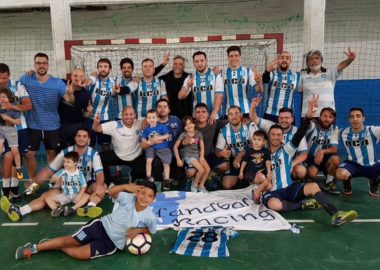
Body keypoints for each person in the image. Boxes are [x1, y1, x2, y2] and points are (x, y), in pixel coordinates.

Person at [262, 95, 357, 226]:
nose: (276, 137)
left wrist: (308, 117)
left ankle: (336, 213)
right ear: (269, 136)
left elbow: (300, 133)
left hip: (289, 188)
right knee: (274, 205)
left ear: (282, 137)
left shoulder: (287, 149)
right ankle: (301, 205)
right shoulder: (262, 154)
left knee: (313, 186)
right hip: (272, 192)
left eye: (279, 135)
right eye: (273, 134)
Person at [14, 182, 157, 260]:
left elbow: (151, 231)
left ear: (154, 199)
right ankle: (33, 248)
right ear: (137, 193)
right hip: (100, 226)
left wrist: (138, 230)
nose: (145, 197)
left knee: (80, 255)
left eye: (149, 196)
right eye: (142, 193)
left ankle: (52, 245)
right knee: (70, 241)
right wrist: (126, 186)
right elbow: (112, 192)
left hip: (112, 243)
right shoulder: (128, 198)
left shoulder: (149, 216)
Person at [1, 128, 105, 221]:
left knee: (102, 186)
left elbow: (99, 173)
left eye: (84, 136)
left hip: (86, 185)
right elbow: (49, 170)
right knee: (45, 196)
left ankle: (90, 207)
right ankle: (21, 211)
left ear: (88, 139)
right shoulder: (65, 152)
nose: (81, 138)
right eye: (79, 136)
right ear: (75, 138)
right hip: (66, 186)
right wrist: (35, 183)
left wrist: (100, 185)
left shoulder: (93, 154)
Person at [19, 52, 75, 183]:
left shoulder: (57, 83)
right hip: (32, 125)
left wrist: (70, 94)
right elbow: (15, 91)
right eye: (38, 63)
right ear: (34, 65)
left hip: (52, 126)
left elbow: (70, 100)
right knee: (29, 154)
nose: (41, 65)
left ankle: (52, 181)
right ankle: (33, 181)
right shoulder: (26, 79)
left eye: (44, 63)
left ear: (48, 65)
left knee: (51, 153)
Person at [250, 95, 308, 181]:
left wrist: (290, 165)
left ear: (292, 119)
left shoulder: (297, 132)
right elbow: (254, 118)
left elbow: (304, 154)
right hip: (272, 162)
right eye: (281, 118)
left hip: (291, 163)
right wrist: (253, 107)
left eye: (287, 118)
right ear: (278, 119)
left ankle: (292, 182)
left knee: (301, 171)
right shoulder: (271, 126)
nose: (284, 120)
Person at [0, 63, 32, 201]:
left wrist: (11, 105)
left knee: (17, 160)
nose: (1, 81)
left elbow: (28, 105)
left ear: (9, 75)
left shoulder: (18, 86)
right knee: (8, 157)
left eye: (4, 78)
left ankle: (14, 188)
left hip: (19, 128)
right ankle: (5, 190)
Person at [92, 106, 146, 184]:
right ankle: (108, 182)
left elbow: (153, 117)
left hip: (135, 157)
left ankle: (133, 175)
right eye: (126, 114)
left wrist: (147, 119)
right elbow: (96, 128)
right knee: (98, 158)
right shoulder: (114, 125)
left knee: (146, 169)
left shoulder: (140, 123)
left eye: (131, 114)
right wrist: (96, 123)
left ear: (135, 115)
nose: (128, 117)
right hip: (118, 155)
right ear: (121, 115)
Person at [297, 48, 356, 117]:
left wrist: (350, 59)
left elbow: (341, 66)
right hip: (308, 115)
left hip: (328, 116)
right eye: (311, 59)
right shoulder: (302, 75)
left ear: (321, 61)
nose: (314, 60)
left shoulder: (330, 73)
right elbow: (299, 90)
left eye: (317, 58)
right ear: (307, 62)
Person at [336, 108, 380, 197]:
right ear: (349, 119)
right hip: (353, 165)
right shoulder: (342, 132)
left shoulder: (373, 130)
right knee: (339, 174)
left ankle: (374, 181)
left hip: (372, 165)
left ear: (363, 118)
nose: (355, 119)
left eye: (358, 116)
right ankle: (347, 183)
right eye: (352, 117)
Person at [178, 51, 224, 125]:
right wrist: (187, 86)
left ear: (206, 61)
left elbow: (220, 96)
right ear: (193, 63)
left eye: (202, 60)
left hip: (215, 116)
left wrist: (213, 113)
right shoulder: (190, 77)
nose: (199, 63)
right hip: (198, 118)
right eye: (197, 61)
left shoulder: (216, 74)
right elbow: (180, 96)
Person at [305, 107, 340, 194]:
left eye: (330, 117)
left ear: (333, 119)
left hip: (324, 158)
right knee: (312, 173)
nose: (327, 119)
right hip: (310, 159)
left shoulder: (334, 129)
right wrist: (309, 116)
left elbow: (334, 149)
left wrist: (322, 151)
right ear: (320, 117)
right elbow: (306, 124)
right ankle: (307, 177)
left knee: (335, 159)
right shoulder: (312, 126)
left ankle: (329, 182)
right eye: (325, 116)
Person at [215, 106, 251, 189]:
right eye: (231, 114)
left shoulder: (249, 125)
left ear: (241, 115)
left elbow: (257, 147)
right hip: (235, 161)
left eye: (236, 113)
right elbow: (217, 152)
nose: (234, 116)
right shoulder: (223, 131)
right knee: (227, 184)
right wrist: (222, 153)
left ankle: (248, 178)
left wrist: (241, 154)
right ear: (228, 117)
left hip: (250, 158)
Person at [84, 58, 116, 150]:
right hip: (90, 118)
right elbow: (89, 81)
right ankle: (90, 163)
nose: (103, 69)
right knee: (90, 145)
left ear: (110, 69)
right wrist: (87, 81)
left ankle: (105, 164)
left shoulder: (113, 82)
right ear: (97, 69)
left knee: (105, 145)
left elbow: (116, 93)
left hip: (105, 118)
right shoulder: (94, 79)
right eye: (100, 66)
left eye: (105, 66)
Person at [224, 46, 262, 123]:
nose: (234, 58)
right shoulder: (223, 73)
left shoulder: (248, 71)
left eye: (236, 56)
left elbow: (259, 90)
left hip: (245, 111)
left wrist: (258, 82)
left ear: (240, 56)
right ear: (228, 57)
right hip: (229, 111)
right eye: (231, 56)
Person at [150, 98, 183, 188]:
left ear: (169, 110)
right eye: (159, 107)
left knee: (178, 178)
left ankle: (169, 176)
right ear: (156, 110)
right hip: (159, 155)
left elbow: (182, 137)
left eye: (165, 107)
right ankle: (159, 180)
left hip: (173, 154)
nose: (162, 109)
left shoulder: (176, 120)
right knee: (155, 163)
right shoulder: (151, 123)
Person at [45, 151, 89, 217]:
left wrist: (80, 195)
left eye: (68, 162)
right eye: (64, 161)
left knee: (87, 196)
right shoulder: (62, 171)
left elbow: (84, 186)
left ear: (75, 163)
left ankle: (72, 209)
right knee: (48, 198)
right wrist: (53, 183)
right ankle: (58, 209)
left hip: (76, 194)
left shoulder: (79, 174)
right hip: (65, 195)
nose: (65, 164)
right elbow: (53, 178)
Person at [173, 116, 210, 192]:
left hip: (197, 155)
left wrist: (202, 157)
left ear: (194, 124)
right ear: (184, 127)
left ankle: (201, 185)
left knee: (208, 169)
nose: (189, 125)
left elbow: (202, 147)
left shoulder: (199, 134)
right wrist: (178, 159)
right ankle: (195, 184)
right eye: (186, 125)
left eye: (190, 123)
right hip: (189, 156)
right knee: (201, 170)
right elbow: (175, 147)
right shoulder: (183, 134)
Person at [262, 51, 300, 122]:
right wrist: (267, 71)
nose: (284, 60)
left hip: (287, 116)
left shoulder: (296, 76)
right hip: (270, 113)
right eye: (282, 58)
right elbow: (265, 80)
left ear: (290, 61)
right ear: (278, 60)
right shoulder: (272, 74)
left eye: (287, 58)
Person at [58, 68, 91, 149]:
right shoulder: (62, 83)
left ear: (84, 78)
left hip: (77, 126)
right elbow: (48, 78)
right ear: (71, 77)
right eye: (75, 75)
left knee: (76, 152)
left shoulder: (86, 94)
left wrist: (89, 113)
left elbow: (85, 115)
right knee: (60, 152)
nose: (78, 78)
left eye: (81, 76)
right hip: (60, 125)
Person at [140, 109, 171, 189]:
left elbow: (167, 135)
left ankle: (167, 179)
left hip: (162, 146)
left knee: (166, 164)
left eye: (153, 117)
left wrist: (158, 138)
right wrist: (148, 142)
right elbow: (143, 140)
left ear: (157, 119)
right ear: (146, 119)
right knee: (148, 161)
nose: (151, 119)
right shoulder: (146, 129)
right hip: (151, 147)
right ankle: (149, 177)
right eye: (149, 118)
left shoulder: (161, 127)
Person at [239, 130, 272, 203]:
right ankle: (256, 188)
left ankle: (256, 190)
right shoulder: (249, 151)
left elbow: (267, 162)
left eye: (259, 140)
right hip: (251, 173)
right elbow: (244, 162)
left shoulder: (266, 151)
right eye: (254, 139)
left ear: (263, 142)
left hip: (262, 173)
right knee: (263, 179)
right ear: (252, 140)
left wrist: (269, 172)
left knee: (269, 186)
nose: (256, 141)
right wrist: (241, 171)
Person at [158, 55, 192, 119]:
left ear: (184, 66)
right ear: (172, 65)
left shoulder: (189, 78)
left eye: (180, 64)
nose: (177, 66)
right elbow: (150, 75)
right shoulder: (164, 78)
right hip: (169, 116)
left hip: (185, 115)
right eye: (175, 64)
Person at [0, 89, 23, 180]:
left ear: (9, 98)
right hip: (0, 130)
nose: (1, 99)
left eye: (4, 97)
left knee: (15, 151)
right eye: (0, 97)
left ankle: (18, 169)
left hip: (10, 130)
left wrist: (7, 118)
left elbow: (18, 122)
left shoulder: (13, 109)